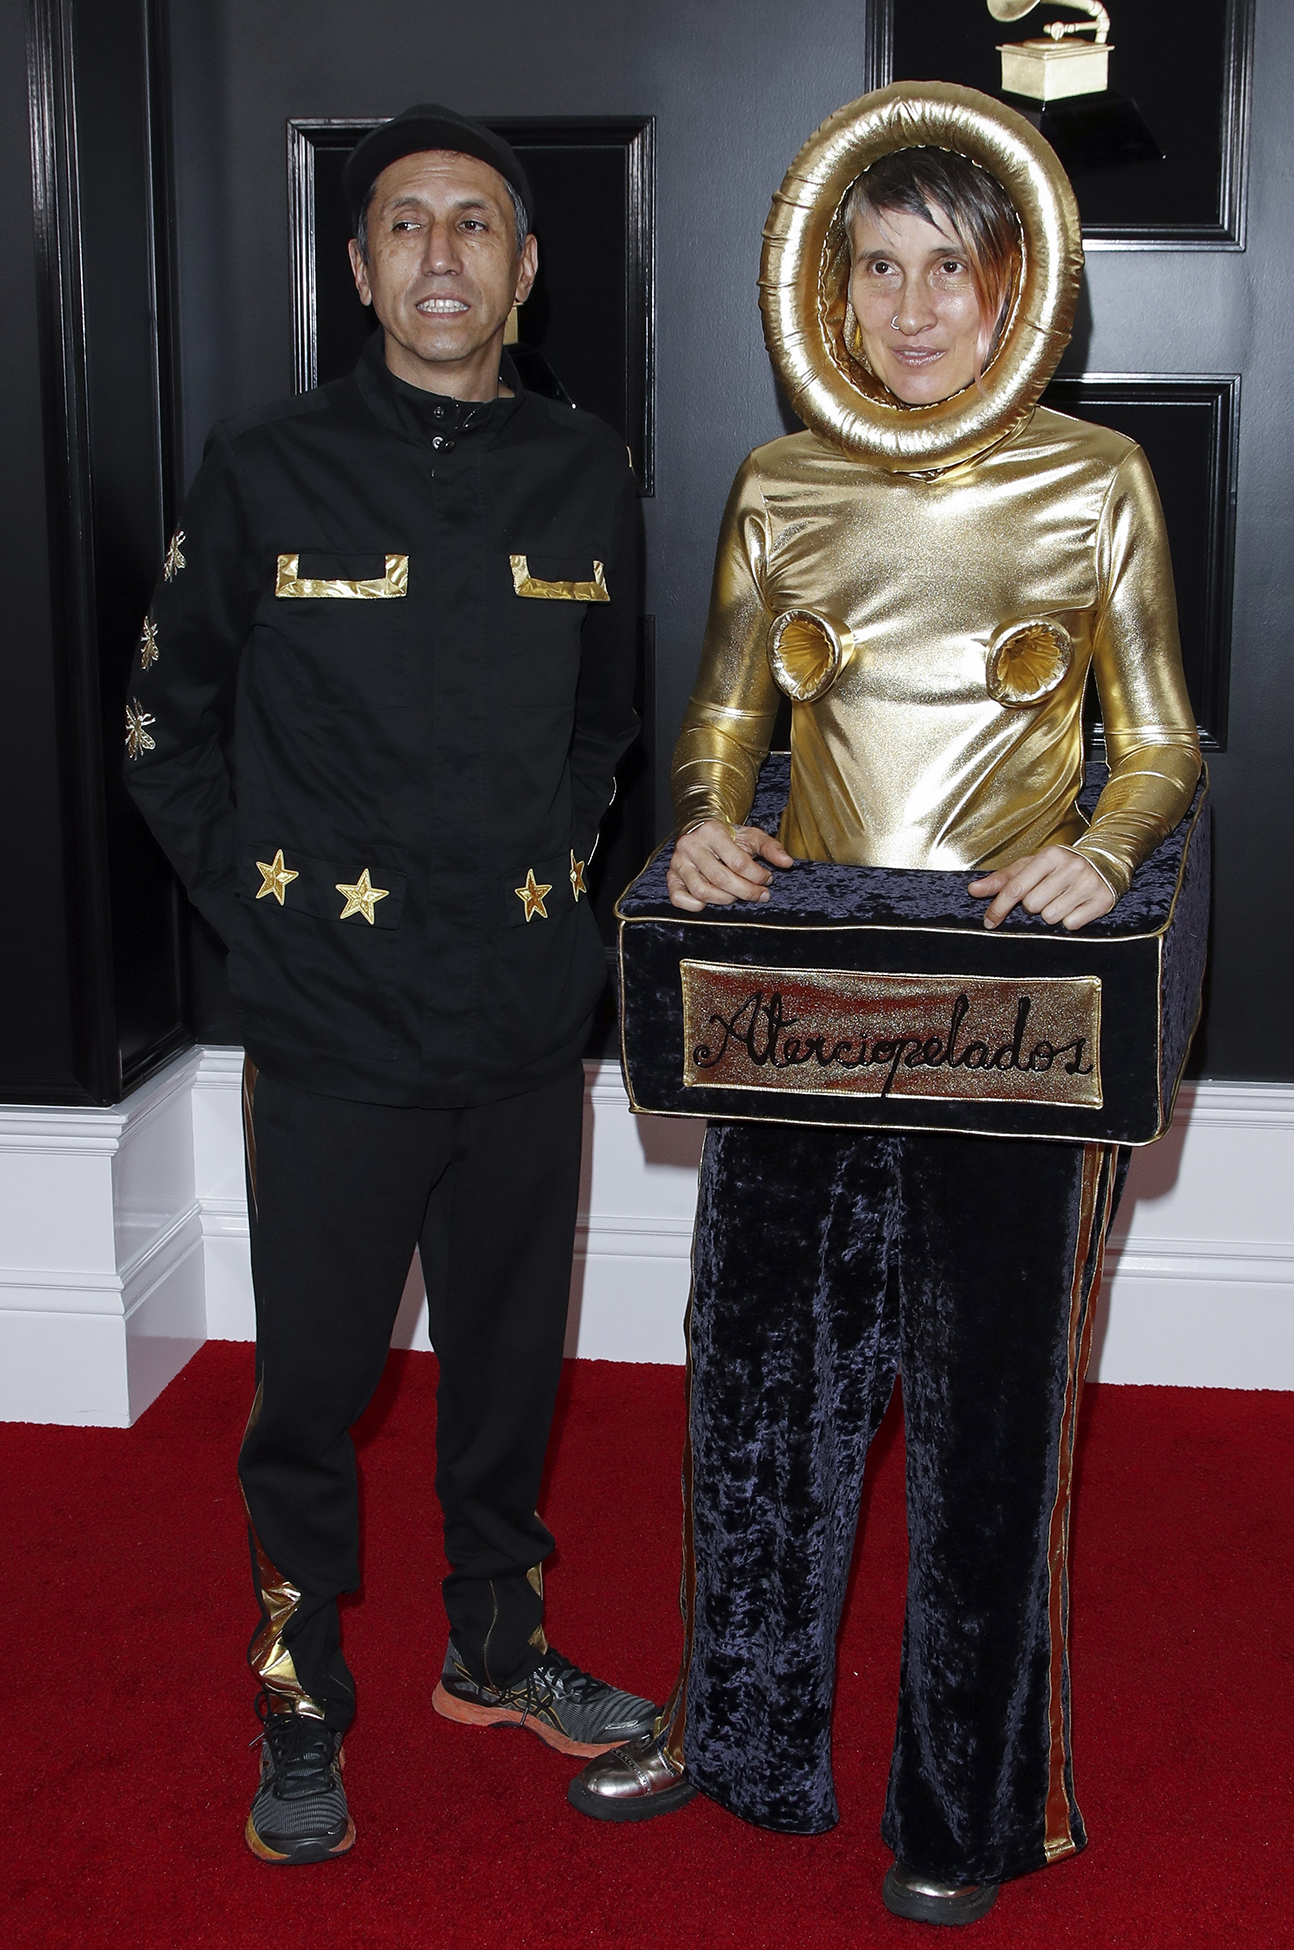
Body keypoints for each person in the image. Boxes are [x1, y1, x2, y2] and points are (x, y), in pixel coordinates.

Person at [568, 83, 1201, 1928]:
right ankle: (743, 1731)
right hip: (796, 999)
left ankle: (973, 1800)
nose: (916, 310)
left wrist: (1104, 842)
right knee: (755, 1388)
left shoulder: (1095, 483)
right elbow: (721, 729)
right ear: (827, 292)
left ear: (1024, 293)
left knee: (994, 1422)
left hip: (1005, 1011)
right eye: (880, 269)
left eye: (956, 271)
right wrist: (697, 827)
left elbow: (1158, 739)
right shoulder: (782, 487)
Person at [125, 102, 655, 1867]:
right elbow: (162, 729)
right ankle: (299, 1690)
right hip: (333, 1021)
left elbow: (607, 722)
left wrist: (560, 892)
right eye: (407, 225)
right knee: (316, 1387)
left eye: (477, 224)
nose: (443, 253)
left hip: (521, 1011)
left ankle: (497, 1646)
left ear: (523, 264)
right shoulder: (264, 466)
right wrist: (257, 918)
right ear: (359, 271)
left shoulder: (588, 471)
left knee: (512, 1362)